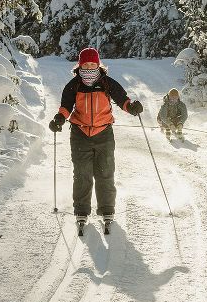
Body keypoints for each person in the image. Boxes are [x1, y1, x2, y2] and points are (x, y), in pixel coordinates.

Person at [48, 48, 143, 228]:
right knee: (82, 174)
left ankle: (107, 208)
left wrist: (132, 108)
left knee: (105, 172)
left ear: (98, 64)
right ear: (80, 65)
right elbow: (66, 107)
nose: (89, 67)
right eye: (86, 64)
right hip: (80, 134)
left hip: (104, 133)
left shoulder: (107, 83)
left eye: (93, 64)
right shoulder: (74, 85)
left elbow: (122, 99)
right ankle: (81, 210)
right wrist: (59, 119)